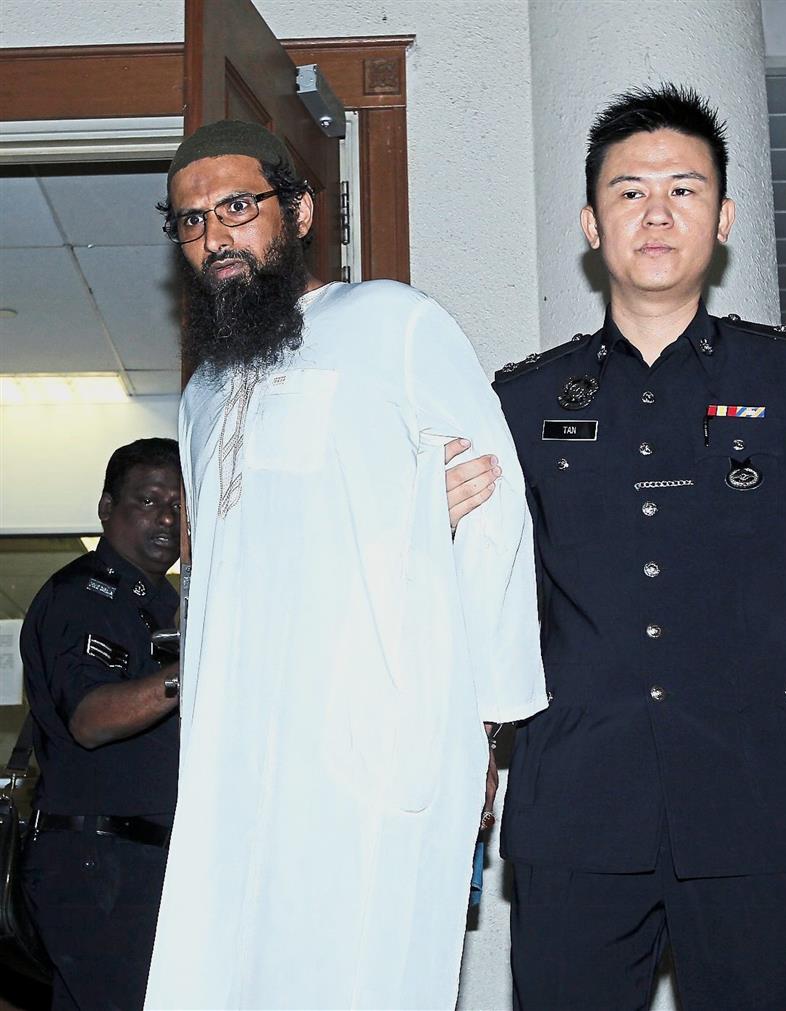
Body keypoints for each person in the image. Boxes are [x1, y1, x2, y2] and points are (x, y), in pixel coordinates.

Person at [447, 84, 786, 1010]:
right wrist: (433, 527)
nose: (656, 213)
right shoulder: (519, 403)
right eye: (630, 191)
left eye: (684, 190)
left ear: (723, 218)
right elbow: (479, 608)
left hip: (764, 806)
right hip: (575, 806)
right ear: (592, 223)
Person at [144, 120, 545, 1011]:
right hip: (238, 757)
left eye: (237, 207)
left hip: (372, 737)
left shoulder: (393, 322)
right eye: (192, 220)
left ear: (298, 212)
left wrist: (482, 723)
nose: (215, 235)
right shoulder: (202, 394)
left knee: (362, 973)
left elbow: (495, 510)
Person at [20, 438, 182, 1011]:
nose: (167, 519)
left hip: (141, 862)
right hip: (99, 861)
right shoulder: (84, 596)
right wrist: (193, 668)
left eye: (179, 505)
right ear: (107, 508)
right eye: (149, 500)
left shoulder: (163, 604)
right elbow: (91, 719)